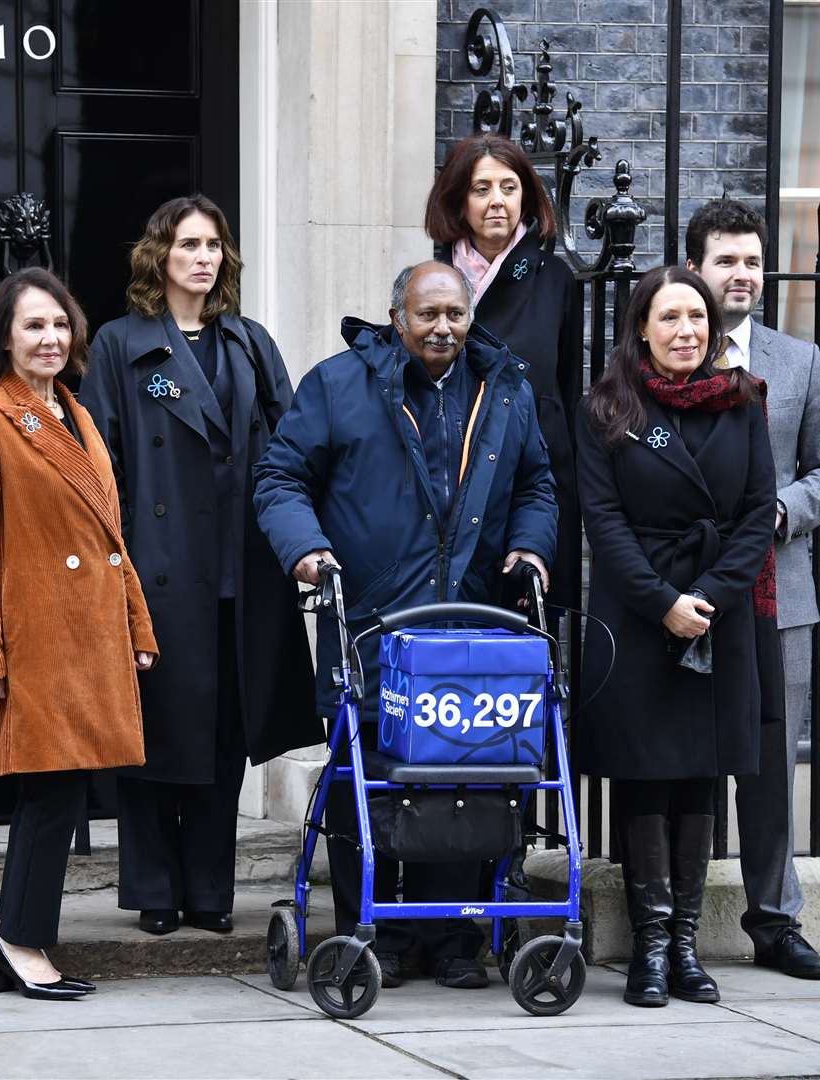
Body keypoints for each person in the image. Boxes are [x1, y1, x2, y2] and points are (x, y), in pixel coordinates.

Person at [254, 261, 557, 991]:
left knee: (461, 776)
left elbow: (537, 484)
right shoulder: (337, 384)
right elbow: (280, 477)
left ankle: (452, 939)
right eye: (428, 315)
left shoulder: (505, 386)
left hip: (468, 626)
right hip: (370, 624)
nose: (444, 328)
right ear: (399, 318)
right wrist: (306, 548)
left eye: (455, 314)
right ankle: (374, 932)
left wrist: (530, 543)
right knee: (367, 776)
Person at [78, 195, 320, 939]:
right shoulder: (122, 344)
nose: (204, 257)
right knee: (152, 732)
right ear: (161, 255)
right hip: (158, 569)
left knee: (222, 737)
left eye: (213, 244)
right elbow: (100, 465)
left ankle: (211, 889)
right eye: (189, 243)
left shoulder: (250, 342)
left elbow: (290, 448)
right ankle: (154, 889)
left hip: (238, 569)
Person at [0, 267, 159, 1001]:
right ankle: (19, 941)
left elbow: (110, 538)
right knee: (49, 793)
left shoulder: (78, 416)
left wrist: (136, 622)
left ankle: (20, 936)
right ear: (1, 337)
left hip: (88, 633)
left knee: (63, 792)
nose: (50, 338)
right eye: (33, 325)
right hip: (34, 636)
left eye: (60, 324)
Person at [575, 266, 779, 1007]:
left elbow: (760, 514)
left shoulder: (744, 402)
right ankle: (649, 950)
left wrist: (708, 597)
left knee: (700, 774)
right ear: (641, 329)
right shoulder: (607, 408)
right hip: (638, 615)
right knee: (646, 773)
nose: (687, 331)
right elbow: (603, 522)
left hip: (717, 613)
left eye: (697, 316)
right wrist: (663, 603)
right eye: (670, 318)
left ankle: (687, 948)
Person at [686, 198, 820, 980]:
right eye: (727, 260)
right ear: (696, 269)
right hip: (685, 595)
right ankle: (672, 924)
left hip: (776, 595)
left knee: (771, 768)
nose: (743, 274)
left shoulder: (797, 361)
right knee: (680, 758)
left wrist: (782, 510)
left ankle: (775, 921)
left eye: (752, 261)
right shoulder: (666, 352)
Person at [425, 134, 581, 606]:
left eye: (509, 188)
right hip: (450, 474)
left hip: (529, 480)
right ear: (459, 200)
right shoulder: (430, 280)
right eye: (481, 189)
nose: (497, 202)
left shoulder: (554, 279)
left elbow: (567, 390)